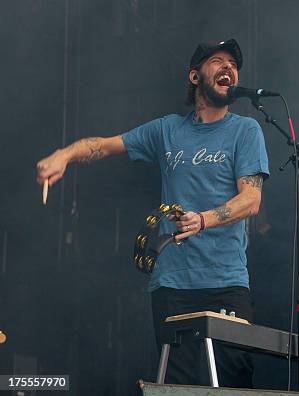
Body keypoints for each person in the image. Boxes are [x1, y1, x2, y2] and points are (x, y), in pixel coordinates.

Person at [35, 39, 269, 388]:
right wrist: (64, 155)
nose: (229, 68)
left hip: (226, 281)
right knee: (177, 384)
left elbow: (251, 199)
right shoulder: (167, 130)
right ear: (194, 76)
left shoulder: (245, 130)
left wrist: (203, 219)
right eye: (218, 61)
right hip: (172, 282)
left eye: (234, 64)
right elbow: (106, 145)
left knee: (235, 382)